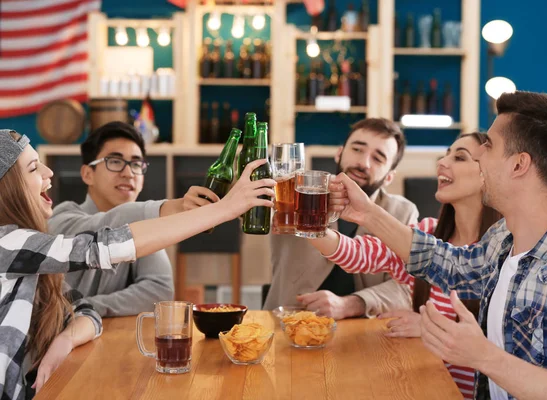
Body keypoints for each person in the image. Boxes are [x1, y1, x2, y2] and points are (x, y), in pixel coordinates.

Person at [328, 91, 547, 399]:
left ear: (519, 165)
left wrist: (482, 356)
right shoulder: (503, 238)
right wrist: (367, 212)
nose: (480, 156)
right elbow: (448, 263)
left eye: (489, 146)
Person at [0, 129, 275, 400]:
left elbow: (85, 310)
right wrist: (222, 209)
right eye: (34, 168)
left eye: (136, 164)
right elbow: (104, 243)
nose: (49, 173)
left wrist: (67, 338)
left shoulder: (29, 253)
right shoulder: (9, 244)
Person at [305, 132, 501, 399]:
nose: (442, 162)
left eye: (459, 157)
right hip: (419, 386)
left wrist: (429, 328)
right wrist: (308, 224)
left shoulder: (503, 252)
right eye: (446, 154)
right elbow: (361, 254)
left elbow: (501, 347)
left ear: (487, 174)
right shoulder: (427, 232)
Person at [48, 122, 214, 317]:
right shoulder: (62, 219)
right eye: (115, 161)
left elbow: (159, 290)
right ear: (87, 174)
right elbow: (105, 227)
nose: (128, 173)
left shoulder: (141, 226)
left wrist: (87, 307)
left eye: (136, 164)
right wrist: (175, 207)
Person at [263, 118, 419, 318]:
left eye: (378, 158)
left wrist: (352, 304)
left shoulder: (403, 212)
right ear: (339, 153)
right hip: (286, 321)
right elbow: (249, 211)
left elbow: (409, 288)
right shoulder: (296, 192)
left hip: (365, 332)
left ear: (389, 176)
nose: (363, 163)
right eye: (357, 149)